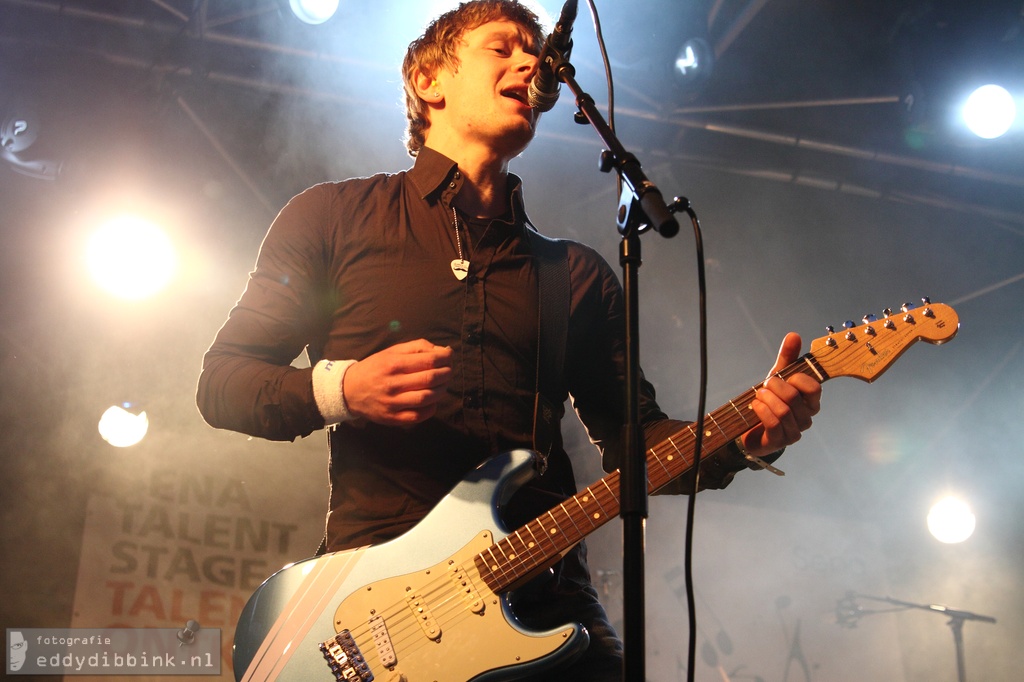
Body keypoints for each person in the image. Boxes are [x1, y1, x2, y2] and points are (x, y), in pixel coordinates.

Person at [196, 1, 822, 680]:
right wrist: (340, 388)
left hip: (552, 604)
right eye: (504, 48)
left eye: (536, 52)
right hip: (377, 616)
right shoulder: (333, 219)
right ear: (430, 80)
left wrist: (743, 436)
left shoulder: (574, 273)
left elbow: (632, 441)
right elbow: (224, 382)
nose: (532, 62)